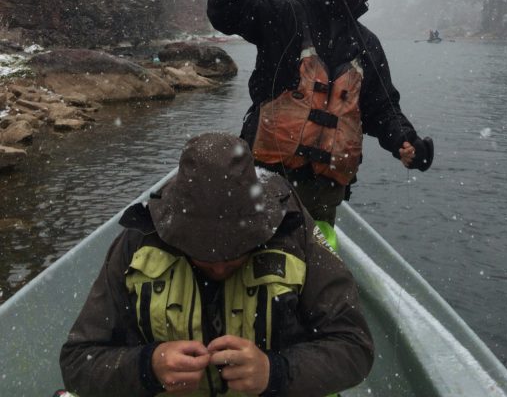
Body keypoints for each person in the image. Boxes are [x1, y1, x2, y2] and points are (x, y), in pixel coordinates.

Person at [59, 133, 374, 397]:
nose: (221, 268)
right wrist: (147, 366)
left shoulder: (295, 233)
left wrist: (275, 372)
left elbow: (354, 347)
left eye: (236, 253)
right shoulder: (138, 240)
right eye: (203, 256)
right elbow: (77, 362)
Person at [206, 0, 434, 242]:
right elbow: (226, 14)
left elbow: (382, 108)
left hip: (321, 206)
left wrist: (406, 142)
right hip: (259, 192)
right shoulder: (282, 15)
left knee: (315, 283)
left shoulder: (368, 45)